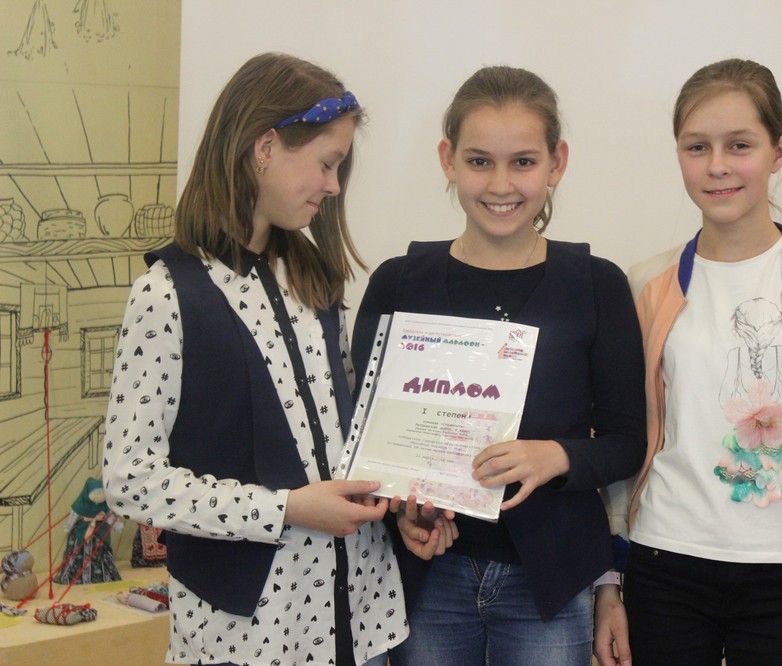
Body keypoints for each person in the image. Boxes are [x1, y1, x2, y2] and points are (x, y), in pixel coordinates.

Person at [102, 52, 406, 666]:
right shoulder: (166, 294)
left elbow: (347, 436)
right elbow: (129, 480)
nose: (334, 186)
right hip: (249, 629)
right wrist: (286, 509)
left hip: (363, 612)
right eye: (326, 163)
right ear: (265, 147)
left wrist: (401, 500)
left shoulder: (314, 277)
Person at [350, 65, 646, 666]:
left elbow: (626, 444)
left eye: (524, 162)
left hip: (551, 582)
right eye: (480, 161)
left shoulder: (597, 285)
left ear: (557, 163)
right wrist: (404, 513)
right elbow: (365, 445)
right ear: (448, 160)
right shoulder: (399, 283)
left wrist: (555, 456)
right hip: (427, 574)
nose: (501, 183)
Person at [595, 58, 782, 666]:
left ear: (779, 151)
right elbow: (628, 438)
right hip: (662, 562)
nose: (717, 166)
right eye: (697, 147)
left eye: (740, 145)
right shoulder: (645, 284)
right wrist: (610, 582)